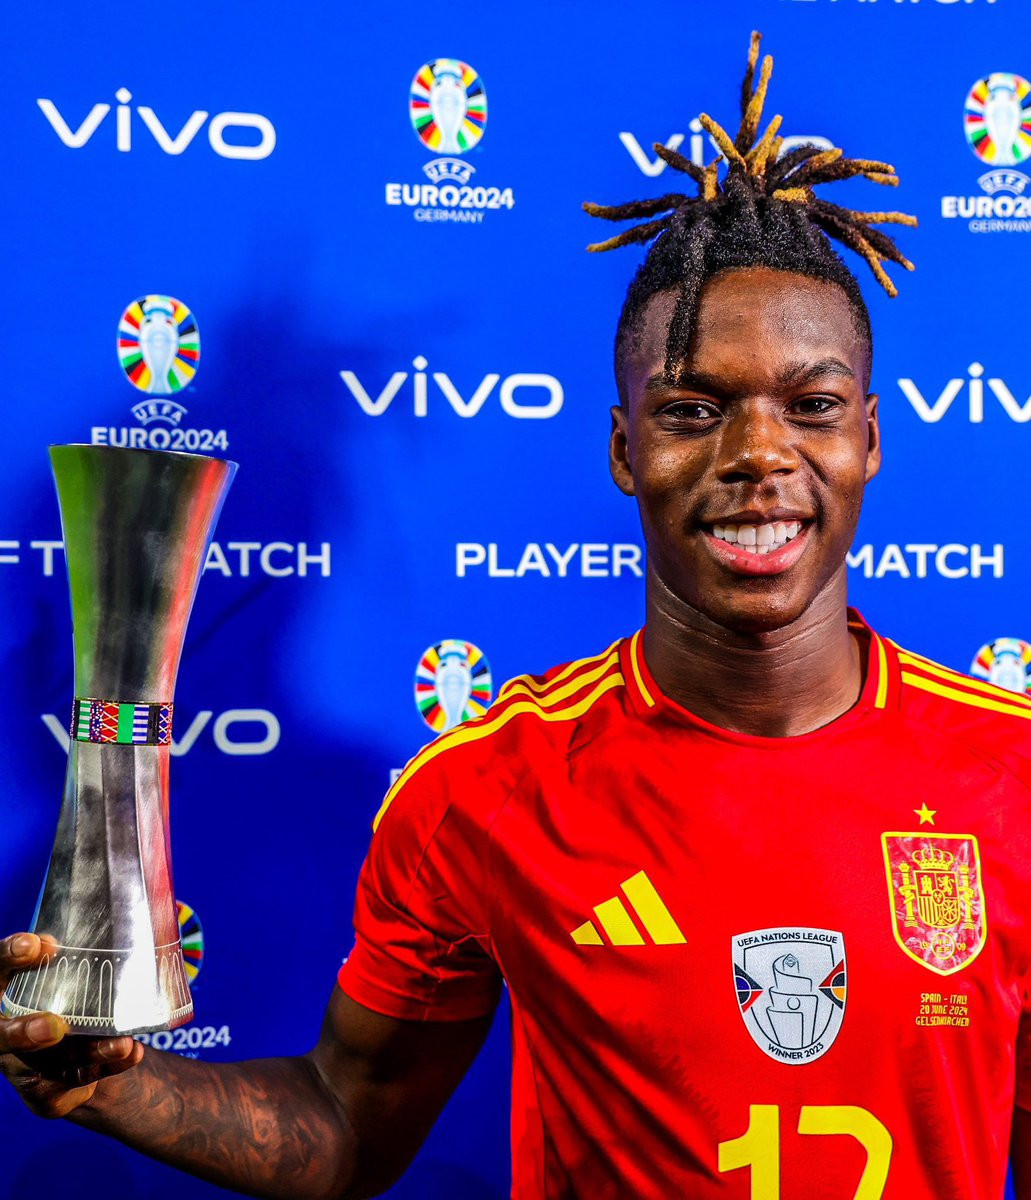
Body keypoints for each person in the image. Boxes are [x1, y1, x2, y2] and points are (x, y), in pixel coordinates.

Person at [2, 32, 1030, 1199]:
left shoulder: (1008, 774)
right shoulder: (489, 786)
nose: (758, 452)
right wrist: (112, 1087)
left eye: (811, 406)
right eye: (692, 410)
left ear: (868, 440)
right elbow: (345, 1125)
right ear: (623, 451)